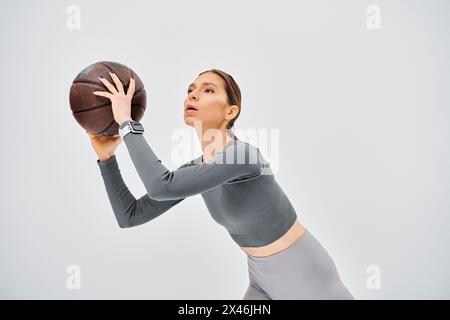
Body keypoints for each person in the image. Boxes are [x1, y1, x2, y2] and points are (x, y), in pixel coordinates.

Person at [87, 69, 355, 300]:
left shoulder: (244, 156)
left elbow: (162, 186)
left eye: (208, 90)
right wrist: (107, 159)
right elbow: (130, 216)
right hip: (261, 281)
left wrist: (127, 123)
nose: (192, 94)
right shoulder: (197, 169)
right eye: (191, 89)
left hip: (308, 277)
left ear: (231, 111)